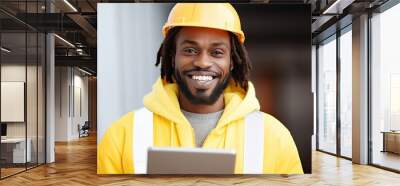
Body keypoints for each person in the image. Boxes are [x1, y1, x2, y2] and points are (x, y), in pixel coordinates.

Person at [98, 3, 303, 174]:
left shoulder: (275, 136)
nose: (203, 62)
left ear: (232, 61)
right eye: (190, 50)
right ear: (172, 57)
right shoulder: (122, 135)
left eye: (217, 52)